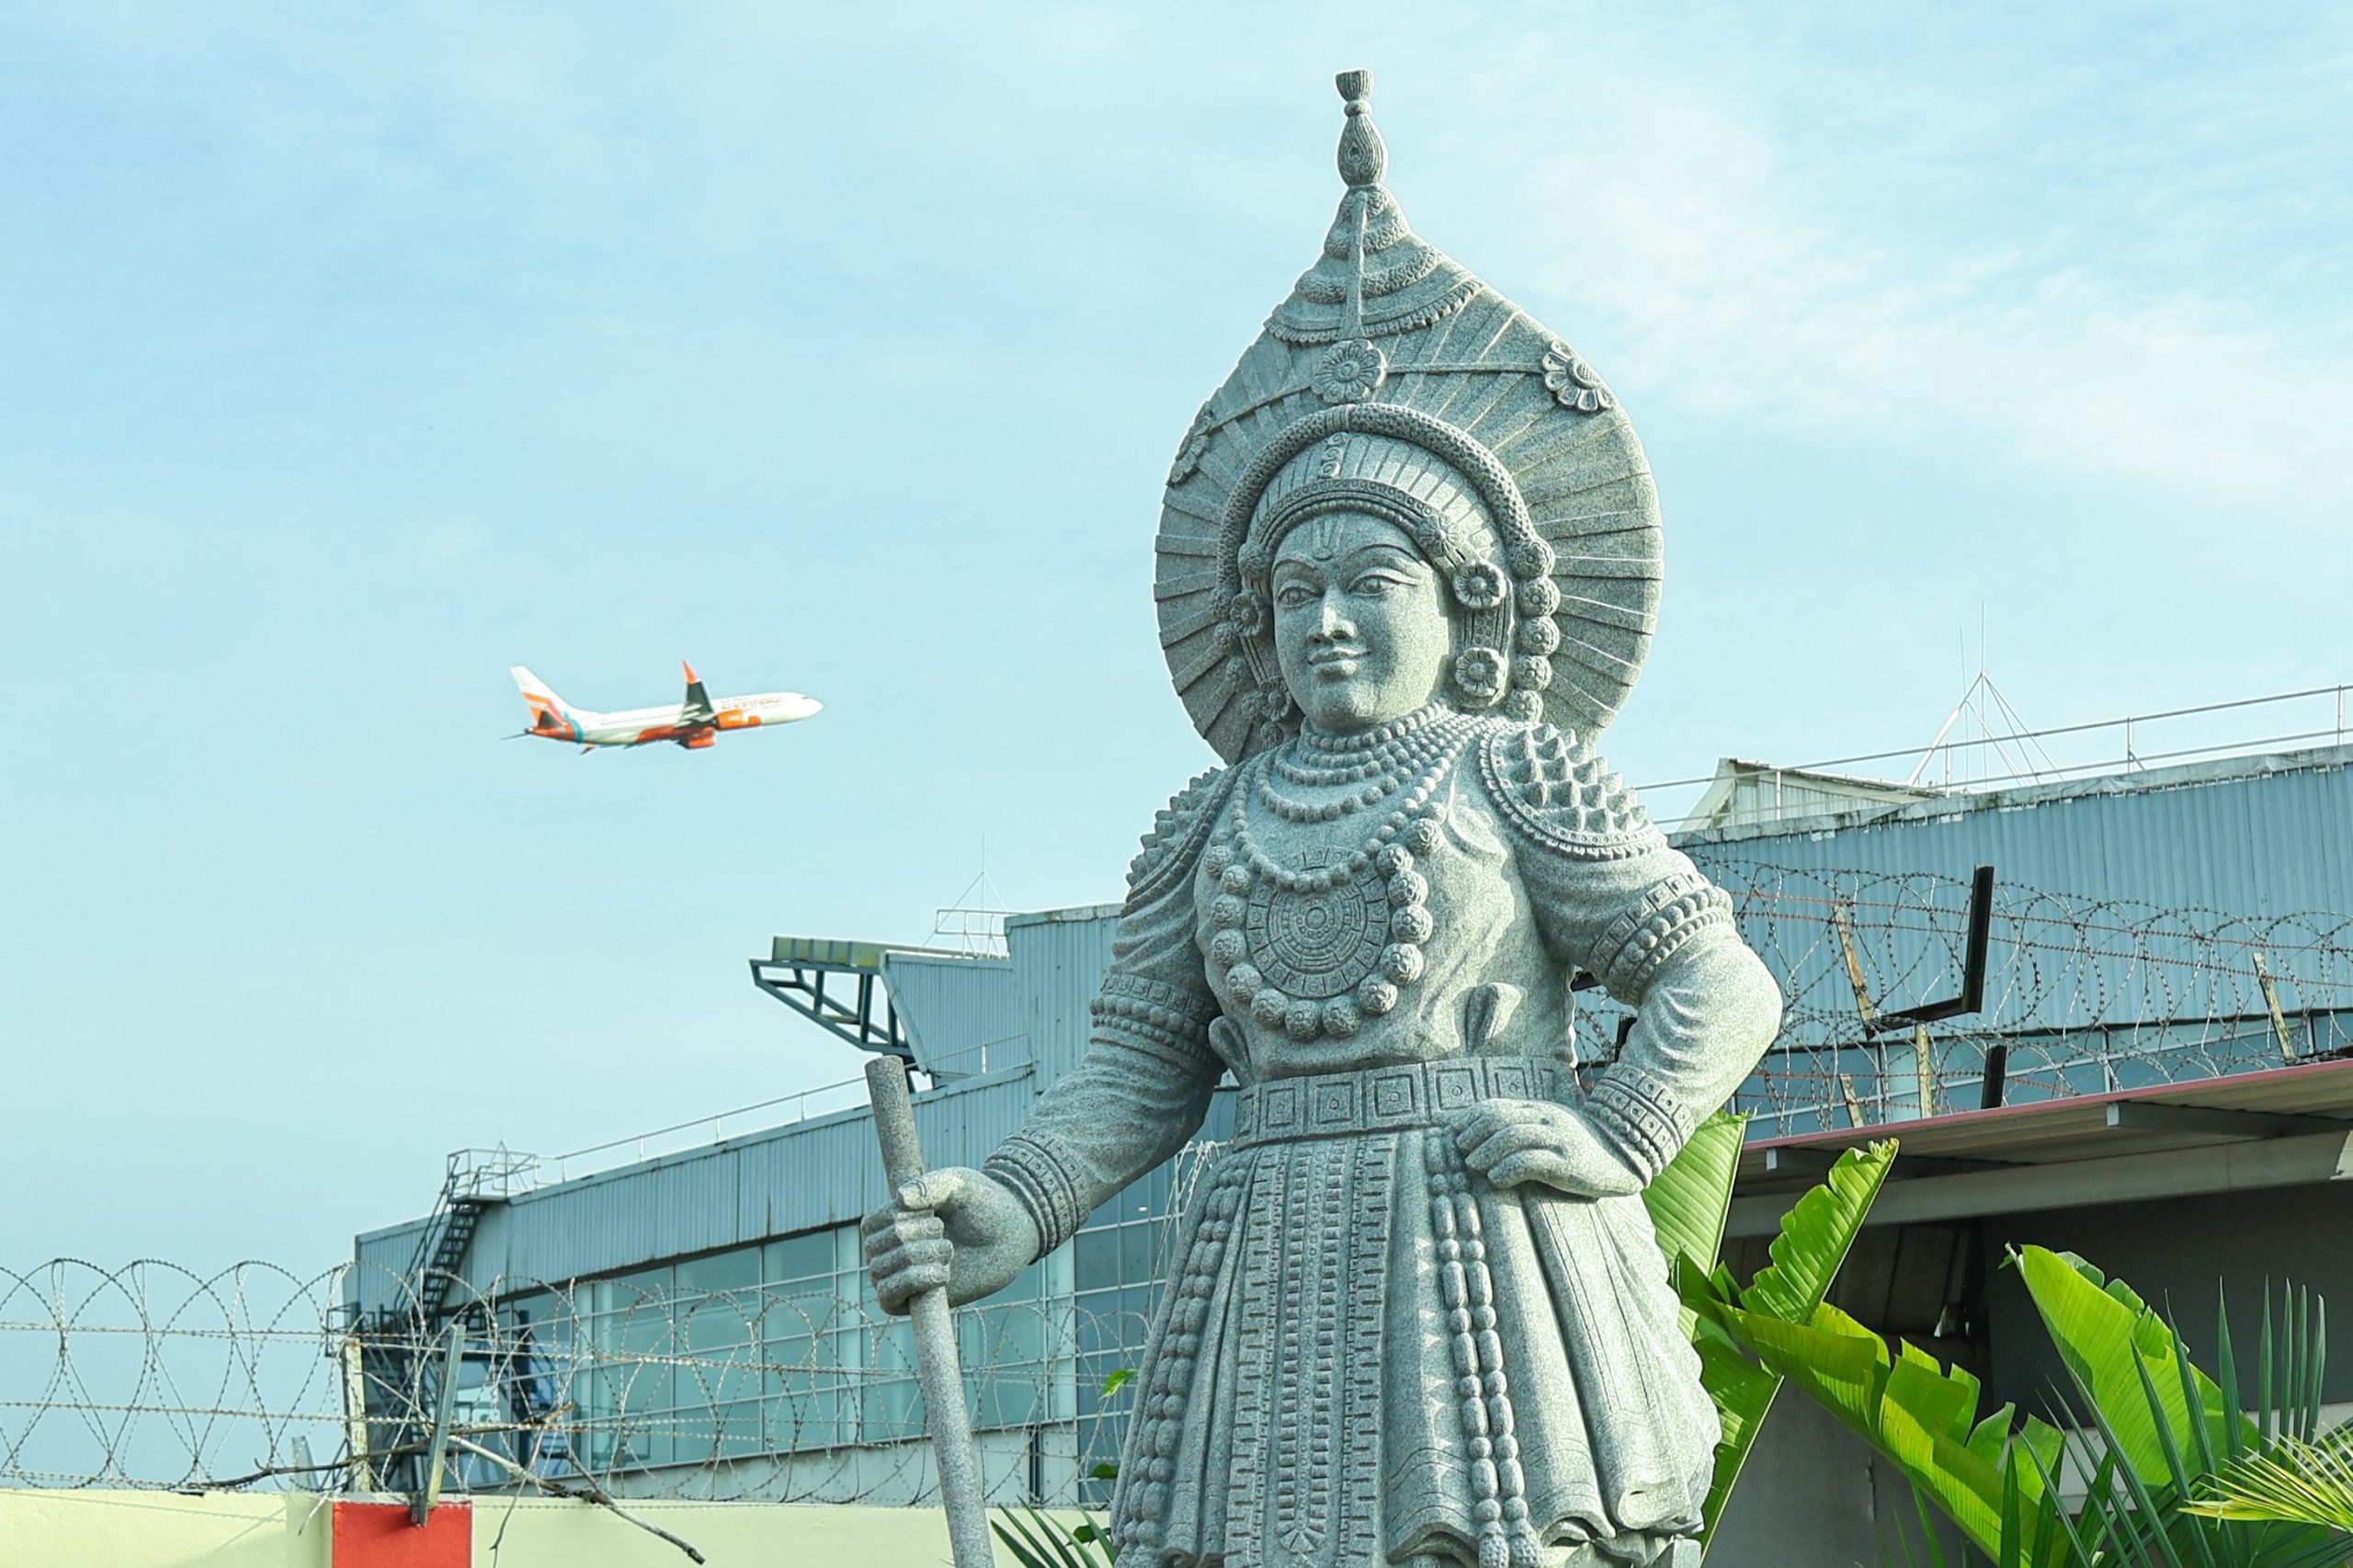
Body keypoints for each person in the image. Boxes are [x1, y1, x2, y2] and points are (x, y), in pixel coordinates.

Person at [864, 72, 1781, 1568]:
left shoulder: (1518, 777)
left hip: (1488, 1254)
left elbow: (1719, 978)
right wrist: (1017, 1204)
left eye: (1372, 585)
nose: (1331, 622)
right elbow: (1143, 1067)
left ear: (1465, 607)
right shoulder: (1209, 825)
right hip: (1272, 1264)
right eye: (1297, 593)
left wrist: (1618, 1130)